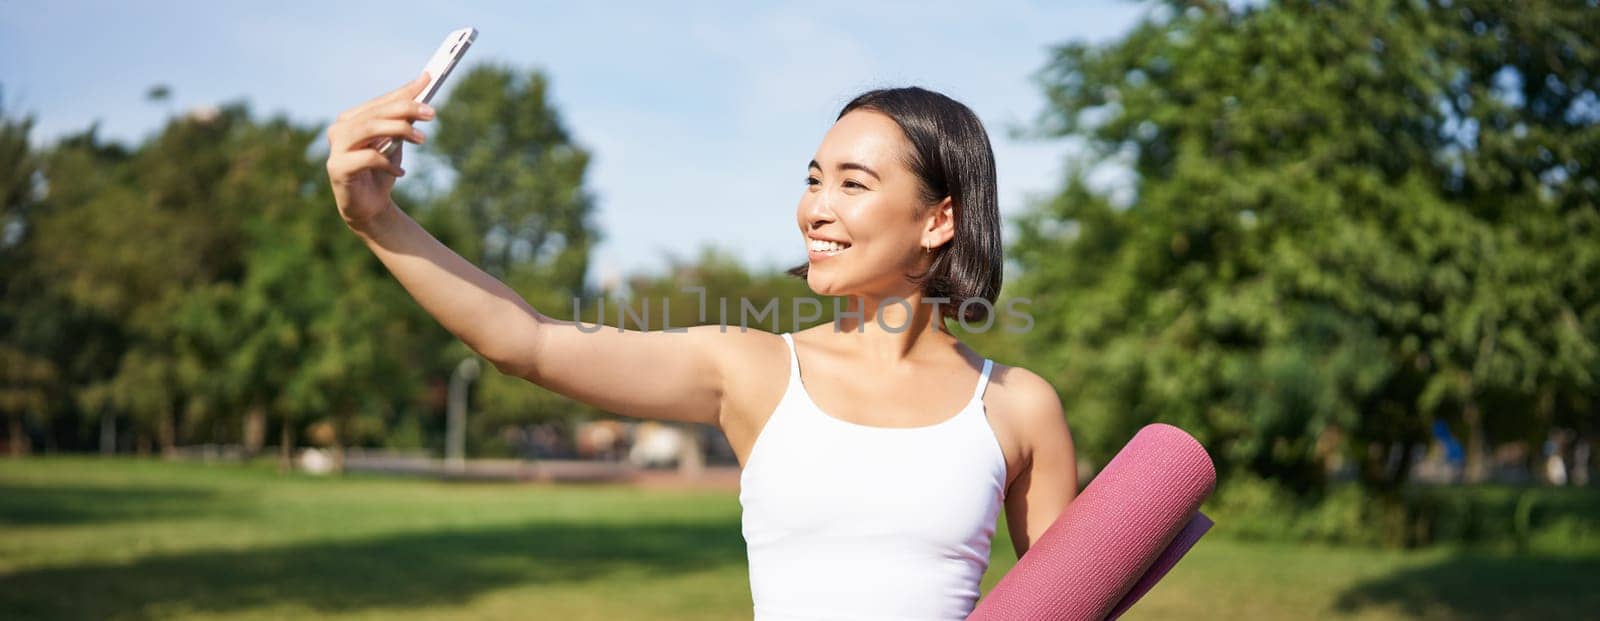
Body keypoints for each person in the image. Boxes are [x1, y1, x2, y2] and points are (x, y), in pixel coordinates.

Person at [325, 73, 1078, 620]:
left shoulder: (1018, 407)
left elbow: (1072, 599)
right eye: (814, 179)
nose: (815, 207)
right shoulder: (749, 368)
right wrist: (376, 219)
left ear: (938, 219)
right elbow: (527, 342)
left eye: (853, 184)